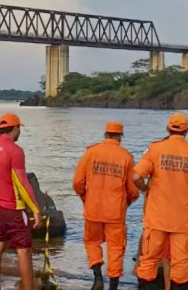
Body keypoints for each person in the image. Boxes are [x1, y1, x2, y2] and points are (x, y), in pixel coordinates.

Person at [133, 112, 188, 290]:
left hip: (156, 218)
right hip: (182, 220)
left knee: (148, 261)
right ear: (187, 131)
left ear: (168, 128)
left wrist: (145, 189)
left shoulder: (155, 149)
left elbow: (136, 176)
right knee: (180, 265)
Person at [73, 121, 139, 290]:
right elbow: (133, 190)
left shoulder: (91, 152)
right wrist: (127, 203)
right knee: (116, 248)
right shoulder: (126, 157)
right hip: (115, 212)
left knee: (92, 242)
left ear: (105, 134)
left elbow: (78, 182)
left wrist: (85, 198)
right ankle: (113, 286)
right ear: (120, 137)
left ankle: (97, 277)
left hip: (93, 208)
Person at [0, 113, 41, 290]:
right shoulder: (14, 150)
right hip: (13, 208)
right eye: (19, 128)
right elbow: (22, 183)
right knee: (24, 251)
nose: (19, 131)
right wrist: (35, 210)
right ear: (15, 128)